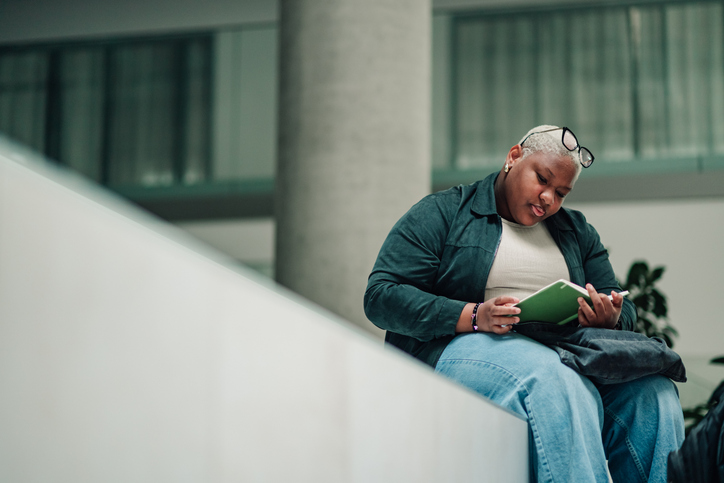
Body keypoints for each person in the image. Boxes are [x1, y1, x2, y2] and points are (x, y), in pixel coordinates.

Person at [364, 125, 684, 482]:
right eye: (542, 179)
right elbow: (382, 296)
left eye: (561, 192)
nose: (548, 198)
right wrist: (473, 315)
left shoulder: (577, 231)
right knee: (554, 378)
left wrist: (609, 317)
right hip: (464, 347)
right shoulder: (444, 212)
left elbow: (622, 305)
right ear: (514, 157)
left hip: (566, 351)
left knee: (652, 394)